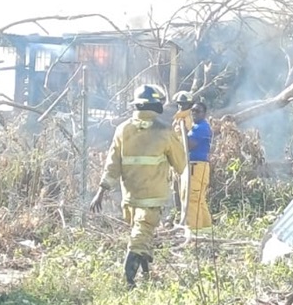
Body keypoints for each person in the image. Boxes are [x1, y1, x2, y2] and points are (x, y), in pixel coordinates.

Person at [89, 84, 188, 289]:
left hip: (130, 198)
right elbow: (181, 164)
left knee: (142, 232)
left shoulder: (122, 129)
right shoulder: (164, 131)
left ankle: (145, 272)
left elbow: (112, 163)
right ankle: (129, 278)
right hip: (153, 197)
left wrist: (101, 190)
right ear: (156, 105)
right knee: (141, 237)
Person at [182, 100, 213, 239]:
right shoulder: (196, 126)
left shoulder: (201, 128)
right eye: (192, 111)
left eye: (197, 111)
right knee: (199, 199)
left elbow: (189, 144)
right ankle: (206, 229)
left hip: (197, 167)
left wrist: (183, 131)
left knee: (193, 199)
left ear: (204, 114)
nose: (194, 113)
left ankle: (194, 232)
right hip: (198, 166)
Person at [170, 91, 195, 226]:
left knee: (185, 189)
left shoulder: (189, 118)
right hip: (175, 158)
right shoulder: (178, 118)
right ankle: (178, 214)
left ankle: (186, 218)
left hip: (185, 159)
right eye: (180, 104)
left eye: (184, 104)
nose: (181, 106)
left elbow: (189, 138)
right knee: (176, 188)